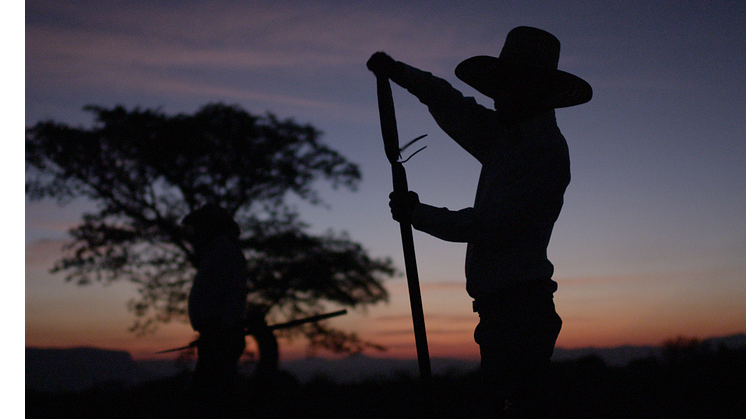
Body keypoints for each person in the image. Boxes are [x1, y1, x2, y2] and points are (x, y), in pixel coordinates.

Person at [367, 27, 592, 418]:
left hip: (520, 314)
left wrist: (418, 214)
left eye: (508, 86)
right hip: (505, 311)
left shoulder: (543, 151)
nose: (498, 96)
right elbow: (450, 103)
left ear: (533, 90)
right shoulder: (506, 137)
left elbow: (493, 226)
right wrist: (398, 73)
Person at [181, 204, 250, 417]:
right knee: (213, 397)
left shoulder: (225, 252)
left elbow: (235, 294)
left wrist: (223, 330)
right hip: (216, 336)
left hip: (221, 338)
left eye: (198, 227)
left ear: (211, 227)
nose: (194, 234)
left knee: (210, 400)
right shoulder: (216, 253)